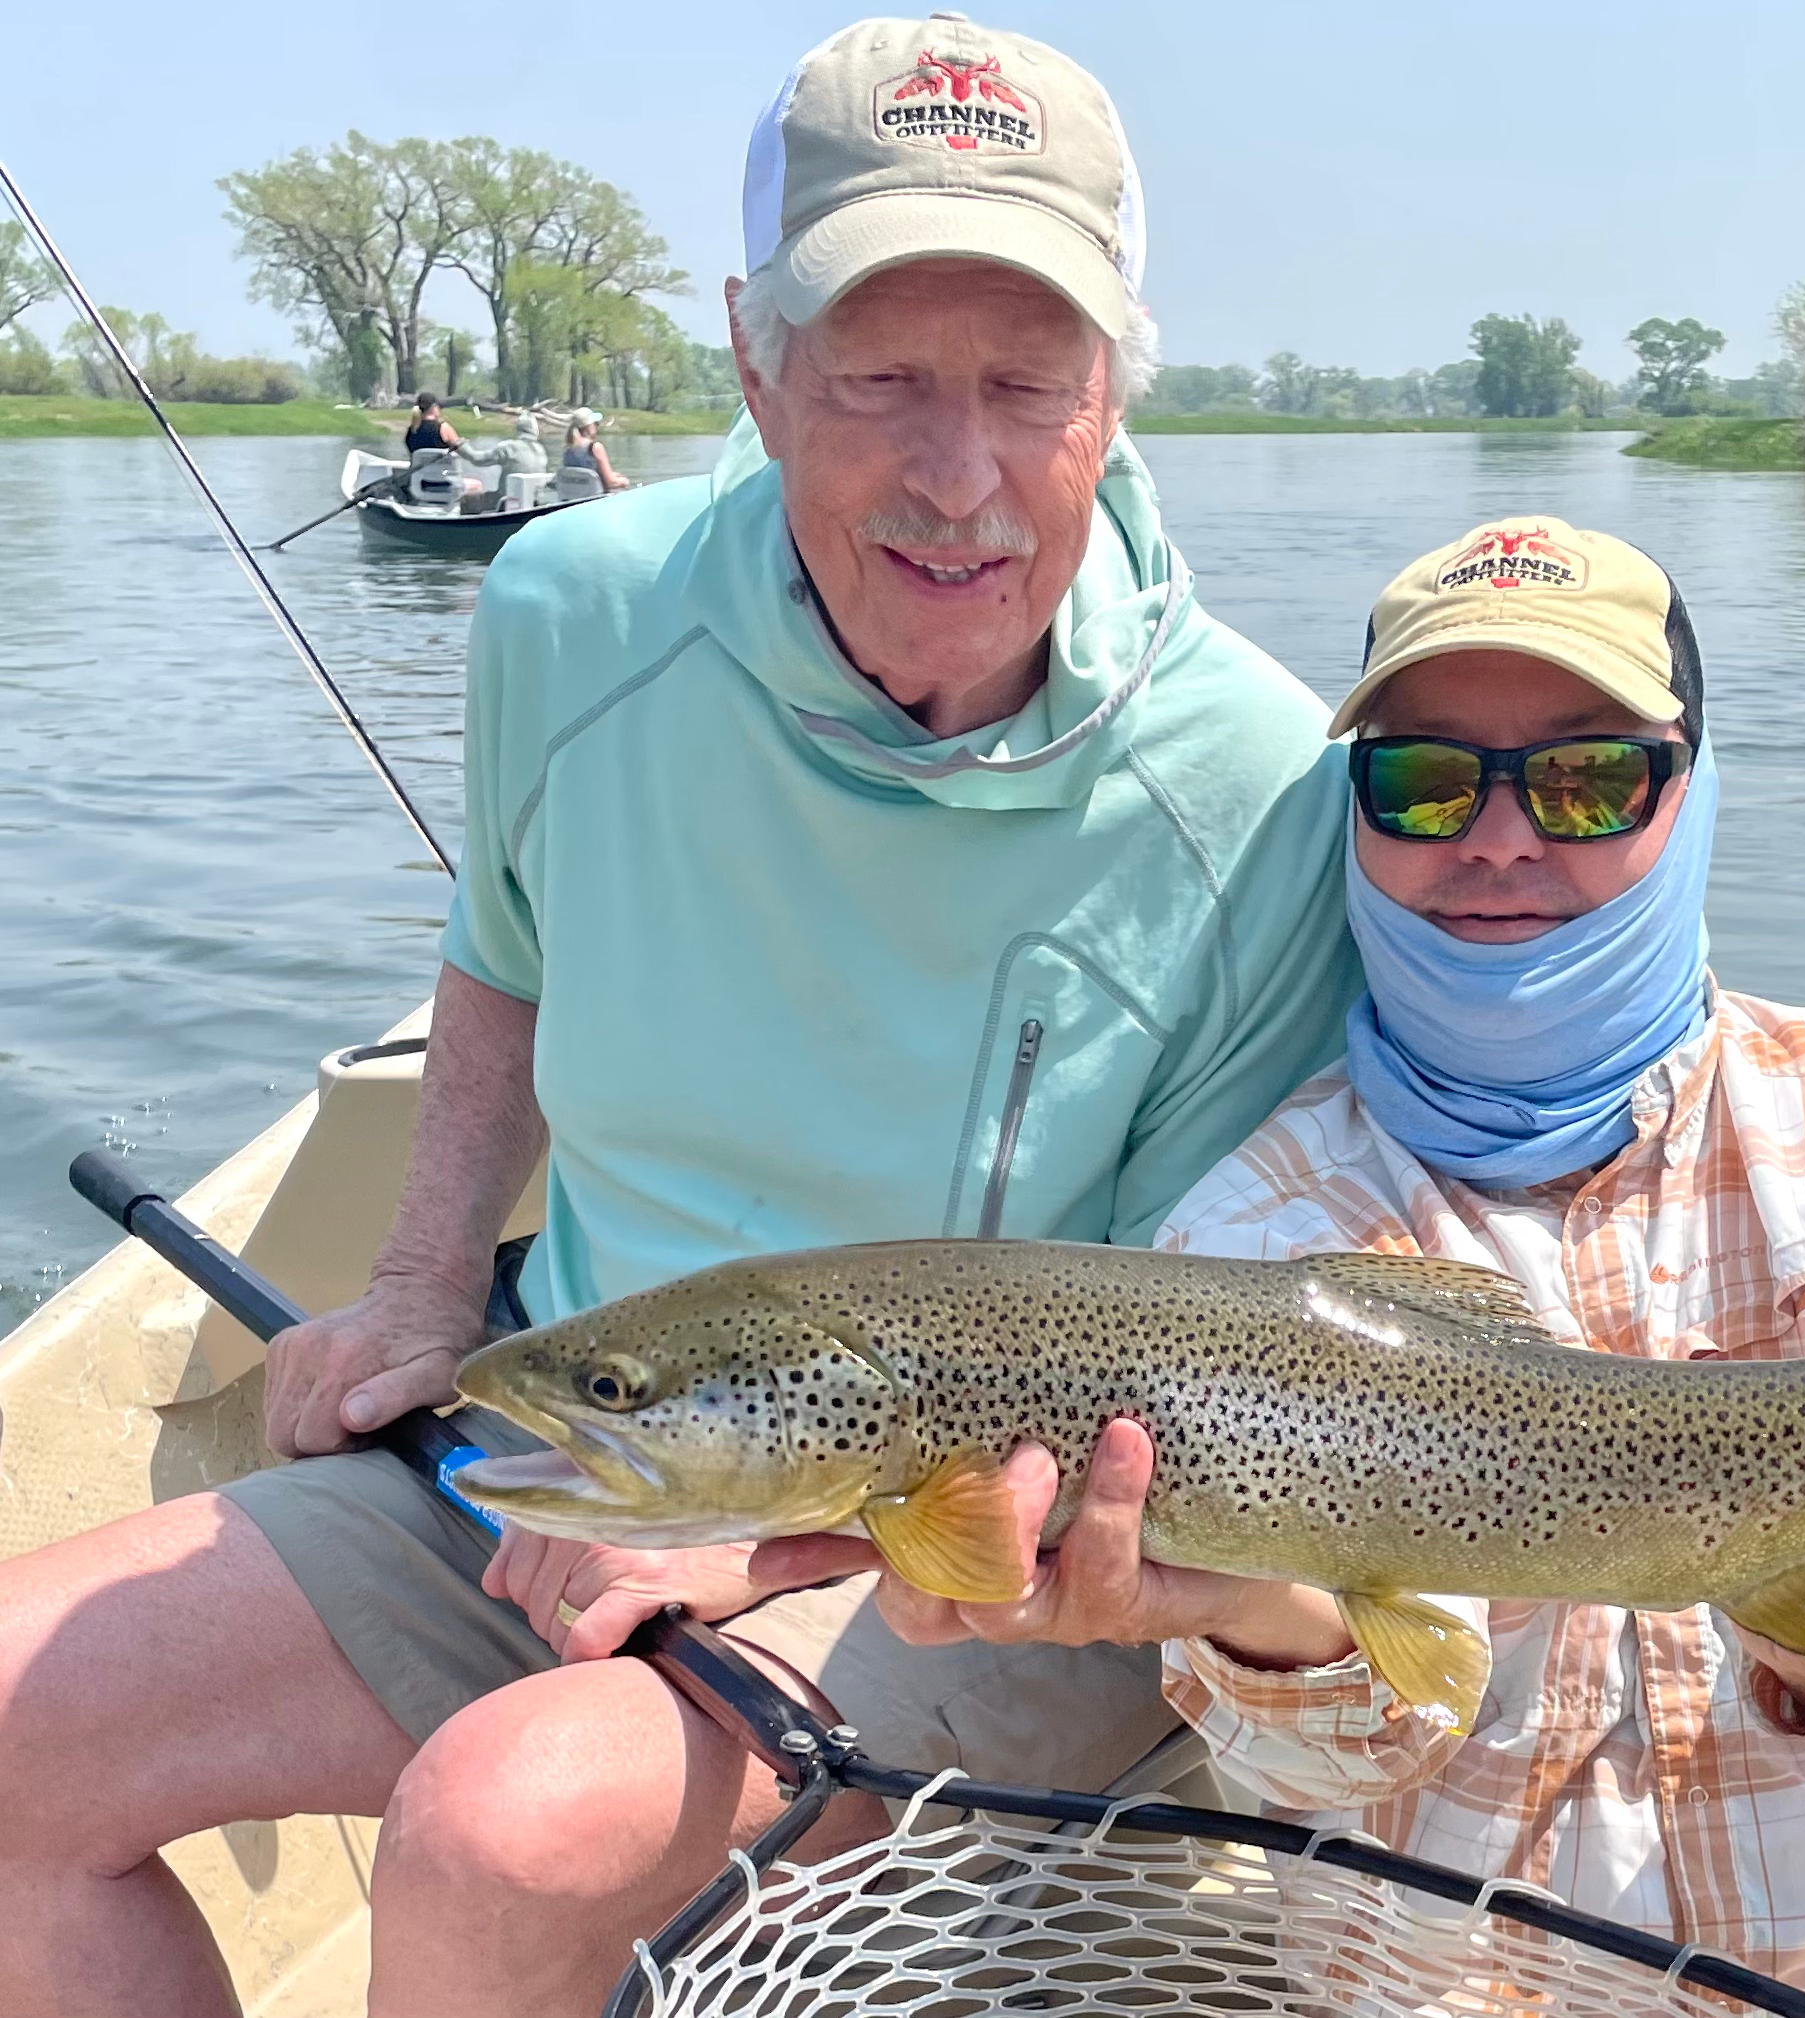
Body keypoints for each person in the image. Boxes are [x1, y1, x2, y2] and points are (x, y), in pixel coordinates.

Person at [0, 17, 1358, 2018]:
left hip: (992, 1555)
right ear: (750, 361)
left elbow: (1175, 1362)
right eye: (882, 377)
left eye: (1025, 383)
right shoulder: (567, 610)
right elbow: (501, 952)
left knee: (501, 1831)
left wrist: (780, 1539)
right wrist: (417, 1284)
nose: (959, 475)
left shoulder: (1255, 782)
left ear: (1111, 397)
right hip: (589, 1435)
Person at [816, 519, 1805, 2017]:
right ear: (1356, 819)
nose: (1499, 837)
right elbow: (1328, 1758)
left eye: (1586, 778)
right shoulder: (1247, 1229)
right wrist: (1245, 1609)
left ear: (1693, 792)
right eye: (1423, 778)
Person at [563, 407, 630, 491]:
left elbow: (583, 477)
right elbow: (611, 483)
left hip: (574, 498)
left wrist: (612, 475)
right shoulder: (595, 447)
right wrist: (625, 481)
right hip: (596, 499)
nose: (596, 426)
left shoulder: (568, 449)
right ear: (588, 427)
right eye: (595, 423)